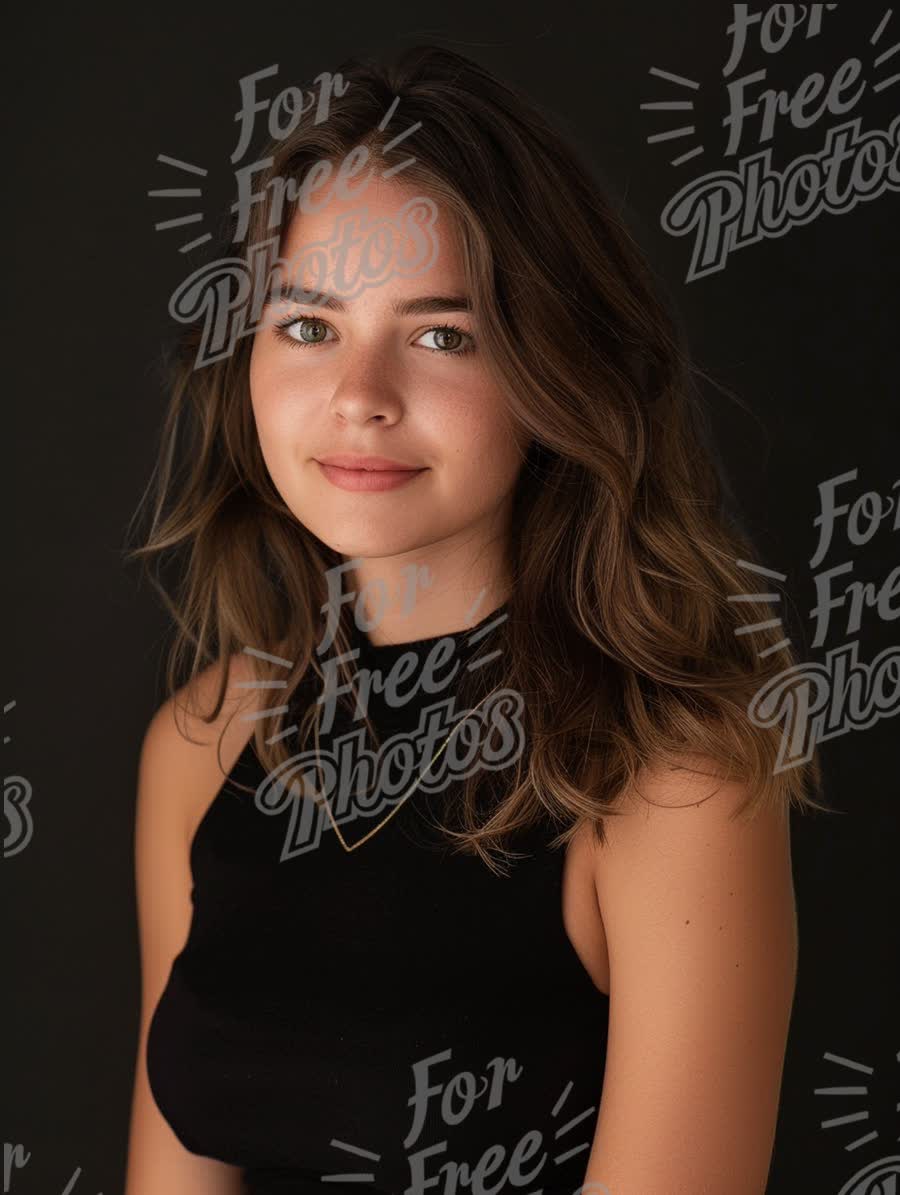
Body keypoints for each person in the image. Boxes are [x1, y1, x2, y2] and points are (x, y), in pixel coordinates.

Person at [123, 44, 826, 1195]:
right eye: (309, 323)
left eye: (442, 333)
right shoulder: (201, 741)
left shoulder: (671, 780)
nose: (360, 393)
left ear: (554, 369)